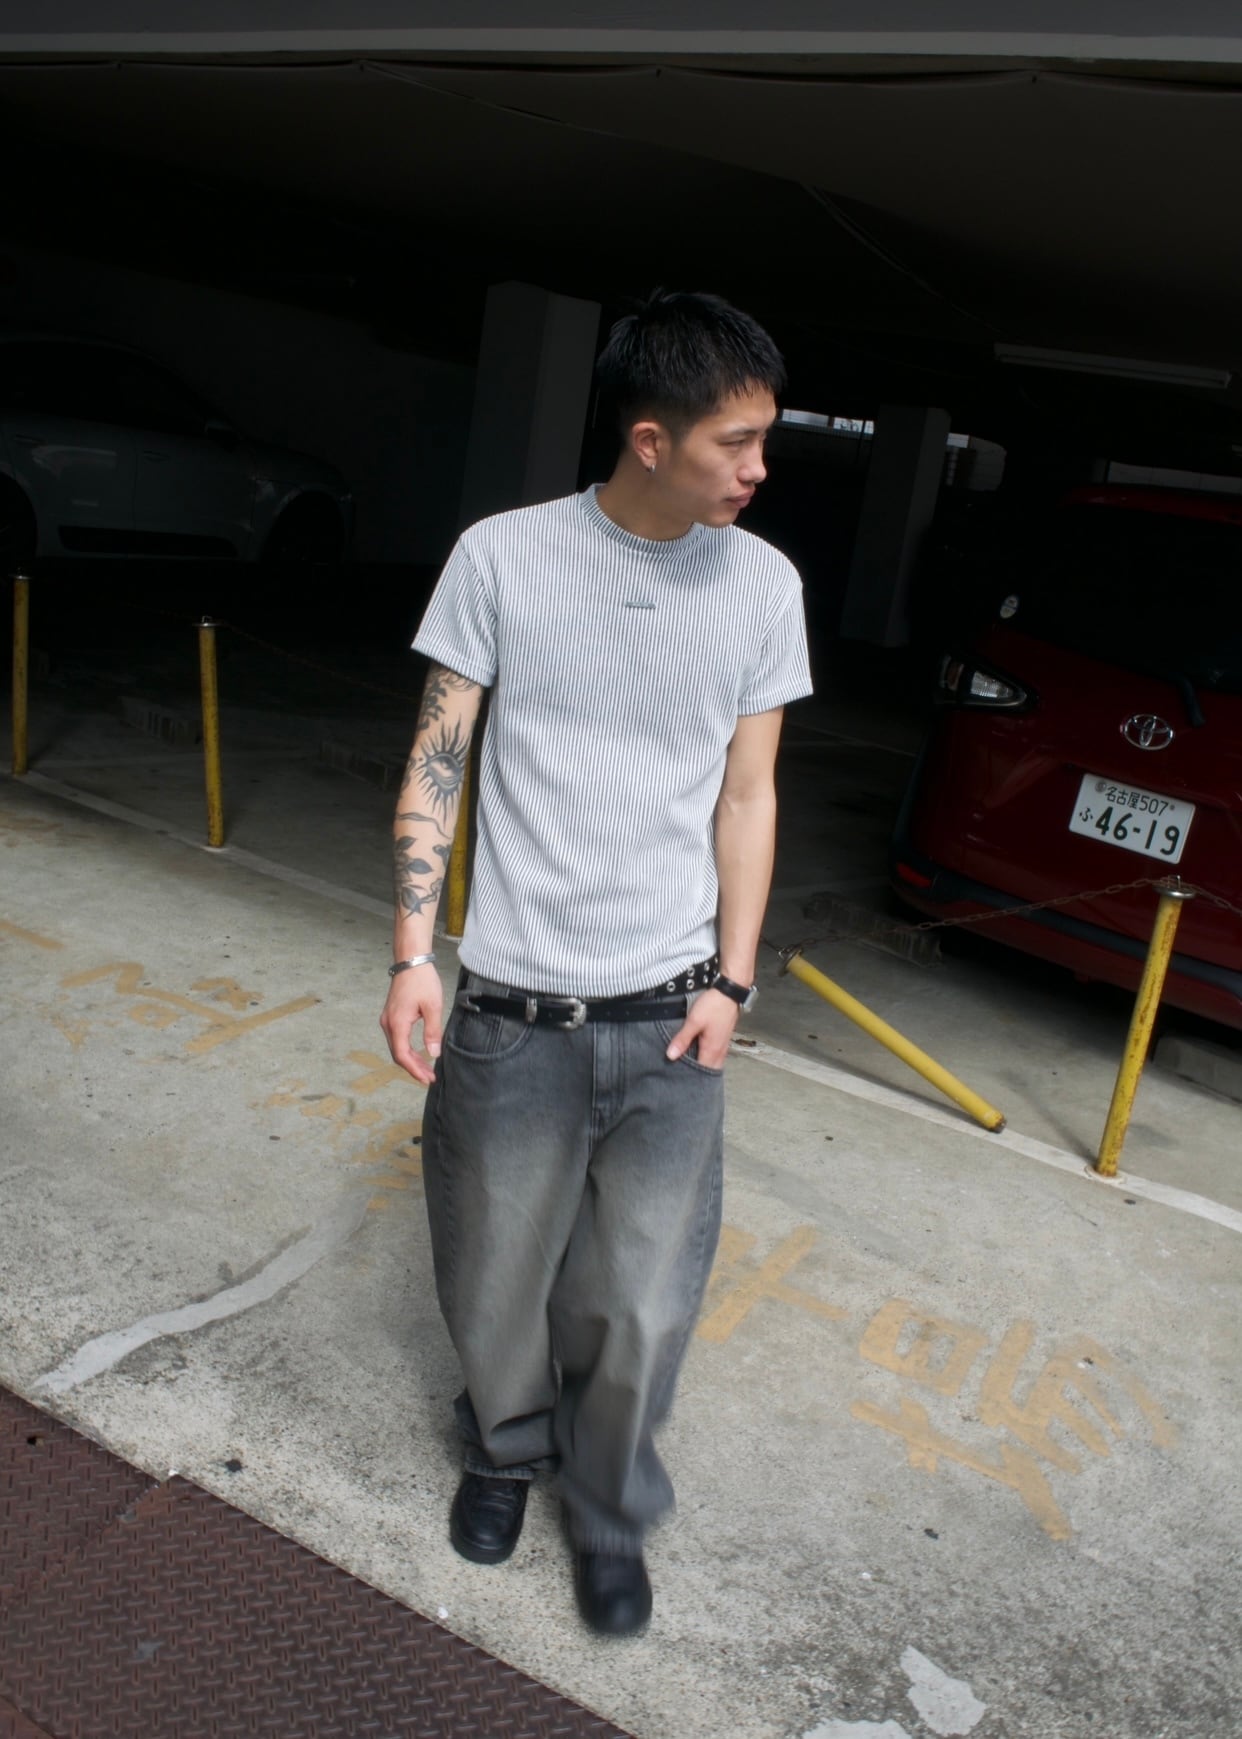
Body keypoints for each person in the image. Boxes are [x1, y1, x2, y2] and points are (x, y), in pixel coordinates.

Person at [379, 289, 812, 1636]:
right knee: (496, 1268)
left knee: (641, 1294)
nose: (758, 468)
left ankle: (610, 1502)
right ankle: (506, 1448)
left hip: (672, 1013)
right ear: (649, 439)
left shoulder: (764, 584)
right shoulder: (502, 557)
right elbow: (438, 760)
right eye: (735, 443)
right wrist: (412, 952)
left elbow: (749, 794)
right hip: (511, 1011)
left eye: (764, 440)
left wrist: (732, 981)